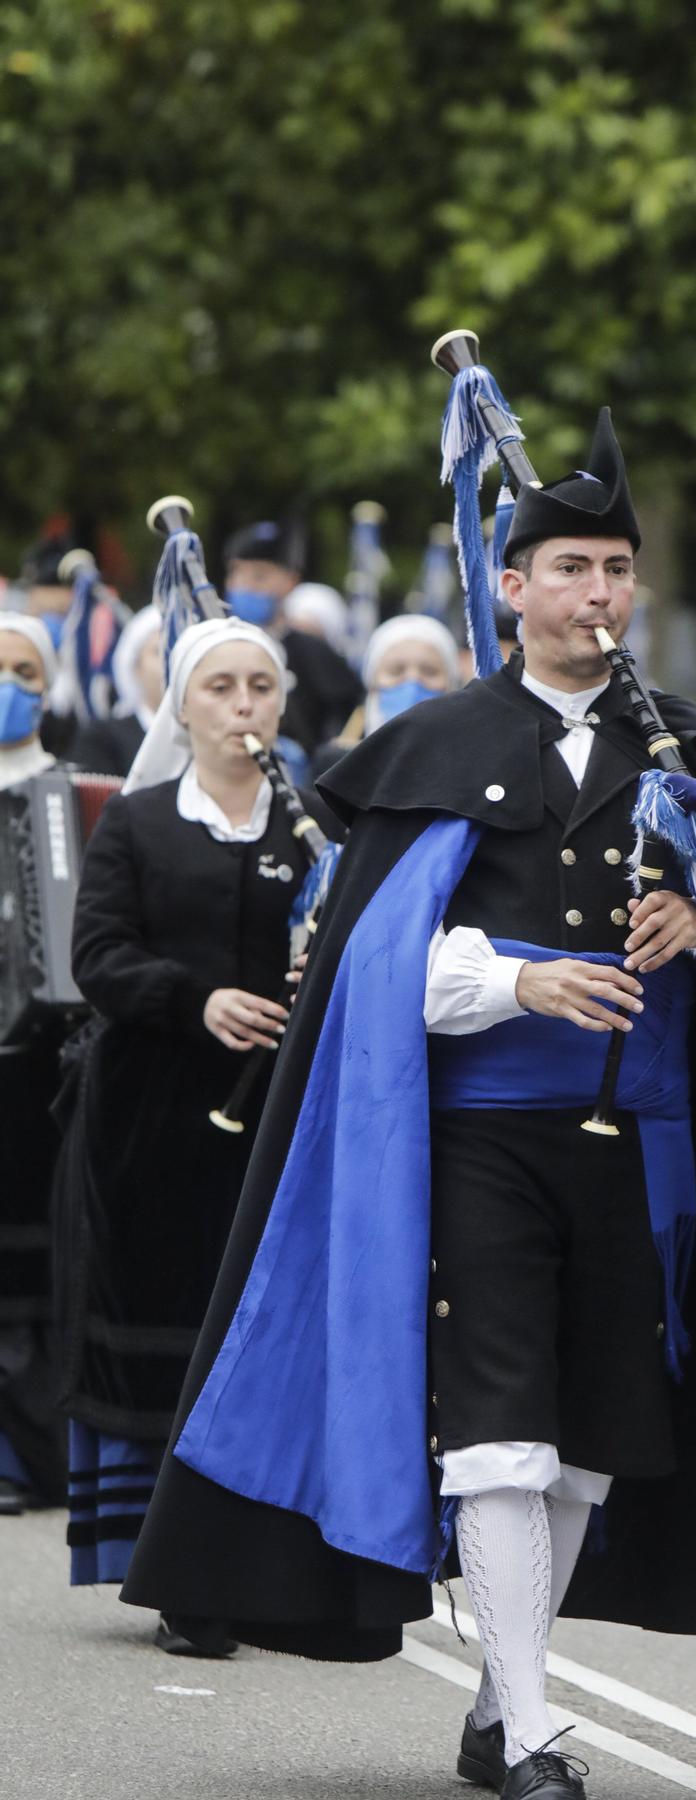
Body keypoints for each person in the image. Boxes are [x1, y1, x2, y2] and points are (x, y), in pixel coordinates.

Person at [123, 409, 696, 1800]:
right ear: (512, 588)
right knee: (501, 1436)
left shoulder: (689, 750)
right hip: (480, 1145)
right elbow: (371, 971)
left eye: (615, 570)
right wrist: (520, 976)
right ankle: (535, 1735)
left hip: (644, 1153)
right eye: (570, 567)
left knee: (582, 1445)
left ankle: (498, 1692)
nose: (597, 593)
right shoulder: (437, 745)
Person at [55, 616, 334, 1652]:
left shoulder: (306, 829)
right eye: (219, 687)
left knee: (253, 1324)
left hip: (272, 1111)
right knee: (165, 1323)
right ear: (182, 703)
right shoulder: (136, 820)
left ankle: (247, 1555)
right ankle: (171, 1569)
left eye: (261, 685)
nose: (243, 706)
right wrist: (195, 999)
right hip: (151, 1115)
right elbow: (98, 955)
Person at [0, 614, 70, 1514]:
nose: (10, 682)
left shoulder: (65, 792)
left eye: (24, 669)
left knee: (33, 1265)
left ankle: (24, 1449)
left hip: (40, 1065)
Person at [222, 521, 363, 753]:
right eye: (236, 573)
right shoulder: (214, 647)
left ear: (290, 582)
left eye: (259, 576)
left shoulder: (314, 652)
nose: (244, 586)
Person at [312, 614, 461, 778]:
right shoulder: (337, 765)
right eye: (396, 671)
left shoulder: (468, 764)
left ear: (451, 683)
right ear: (373, 683)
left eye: (429, 671)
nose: (412, 681)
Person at [69, 605, 163, 777]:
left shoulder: (204, 736)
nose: (169, 662)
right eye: (158, 652)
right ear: (135, 667)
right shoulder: (103, 738)